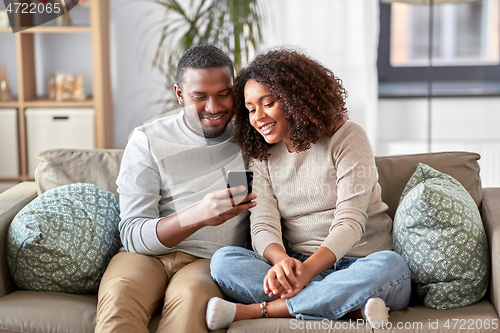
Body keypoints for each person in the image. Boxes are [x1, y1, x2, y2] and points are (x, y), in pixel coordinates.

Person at [206, 48, 411, 330]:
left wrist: (305, 275)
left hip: (361, 263)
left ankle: (261, 310)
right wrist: (282, 263)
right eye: (251, 109)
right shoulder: (262, 154)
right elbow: (262, 222)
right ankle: (345, 307)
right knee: (224, 261)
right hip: (295, 265)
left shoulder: (347, 137)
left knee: (392, 267)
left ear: (294, 99)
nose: (258, 117)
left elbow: (350, 222)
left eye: (268, 103)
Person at [95, 45, 256, 333]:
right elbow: (132, 233)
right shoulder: (147, 139)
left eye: (223, 94)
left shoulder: (252, 137)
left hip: (209, 260)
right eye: (199, 97)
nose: (214, 108)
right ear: (179, 94)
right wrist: (198, 215)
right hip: (144, 256)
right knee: (120, 298)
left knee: (189, 301)